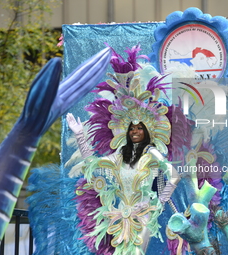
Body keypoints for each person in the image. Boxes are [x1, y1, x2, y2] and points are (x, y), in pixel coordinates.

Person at [66, 44, 181, 255]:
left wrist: (156, 205)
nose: (135, 131)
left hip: (143, 218)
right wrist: (80, 135)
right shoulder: (119, 157)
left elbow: (174, 176)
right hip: (120, 217)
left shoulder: (152, 153)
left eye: (140, 128)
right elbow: (92, 165)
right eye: (132, 128)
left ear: (147, 131)